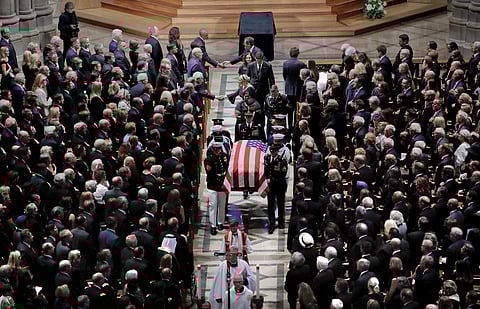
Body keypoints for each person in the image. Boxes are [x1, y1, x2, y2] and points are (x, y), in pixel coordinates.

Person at [204, 140, 229, 235]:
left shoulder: (224, 156)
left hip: (222, 184)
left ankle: (220, 223)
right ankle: (213, 225)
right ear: (213, 149)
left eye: (219, 149)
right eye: (216, 149)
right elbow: (210, 174)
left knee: (222, 205)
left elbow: (226, 169)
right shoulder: (209, 160)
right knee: (213, 206)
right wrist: (220, 182)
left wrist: (225, 182)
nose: (218, 150)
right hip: (213, 185)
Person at [265, 142, 288, 233]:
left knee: (280, 204)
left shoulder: (282, 160)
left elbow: (283, 173)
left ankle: (281, 222)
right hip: (270, 186)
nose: (273, 152)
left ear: (278, 151)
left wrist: (273, 179)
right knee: (270, 205)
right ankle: (272, 224)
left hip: (279, 185)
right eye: (271, 150)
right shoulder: (267, 159)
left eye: (274, 150)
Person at [283, 47, 307, 130]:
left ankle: (289, 126)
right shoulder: (301, 64)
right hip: (298, 89)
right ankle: (296, 126)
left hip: (289, 89)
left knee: (290, 109)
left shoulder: (286, 63)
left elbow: (284, 76)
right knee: (298, 109)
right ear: (298, 54)